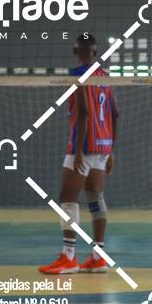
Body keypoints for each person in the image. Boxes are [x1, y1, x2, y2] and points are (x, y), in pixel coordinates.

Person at [39, 33, 117, 274]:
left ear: (75, 52)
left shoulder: (76, 74)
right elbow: (115, 113)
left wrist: (79, 150)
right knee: (95, 196)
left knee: (67, 197)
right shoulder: (104, 76)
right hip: (103, 144)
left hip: (84, 145)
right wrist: (111, 149)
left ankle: (69, 257)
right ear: (95, 52)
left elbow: (83, 112)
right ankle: (98, 257)